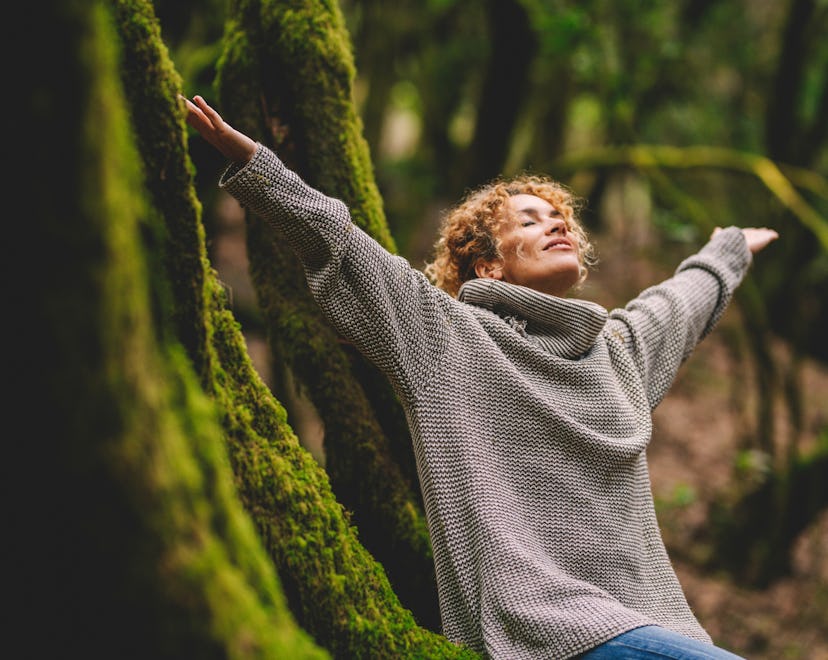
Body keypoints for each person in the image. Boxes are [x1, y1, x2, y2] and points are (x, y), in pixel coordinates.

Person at [184, 94, 778, 659]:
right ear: (488, 265)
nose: (557, 225)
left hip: (659, 629)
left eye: (559, 217)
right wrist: (256, 166)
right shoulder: (447, 339)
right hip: (540, 635)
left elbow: (677, 303)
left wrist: (730, 251)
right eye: (531, 219)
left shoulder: (615, 353)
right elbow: (344, 246)